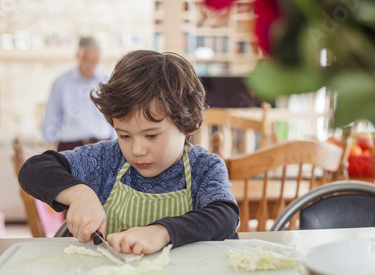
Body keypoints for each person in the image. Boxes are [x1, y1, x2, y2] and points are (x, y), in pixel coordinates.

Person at [19, 50, 240, 255]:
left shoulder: (204, 167)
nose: (136, 150)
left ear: (189, 124)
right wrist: (79, 194)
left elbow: (225, 216)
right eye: (124, 135)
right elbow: (33, 169)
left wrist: (162, 232)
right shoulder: (107, 160)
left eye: (151, 135)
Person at [41, 36, 116, 152]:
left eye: (94, 60)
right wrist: (48, 144)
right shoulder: (61, 82)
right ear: (78, 56)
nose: (90, 65)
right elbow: (52, 114)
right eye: (86, 59)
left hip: (102, 146)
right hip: (69, 146)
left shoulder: (107, 80)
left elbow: (115, 114)